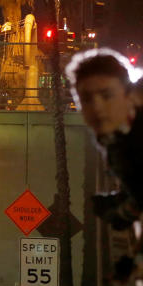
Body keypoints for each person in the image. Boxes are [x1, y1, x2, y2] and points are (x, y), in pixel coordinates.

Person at [66, 48, 143, 231]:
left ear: (129, 95)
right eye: (86, 99)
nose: (97, 108)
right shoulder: (116, 135)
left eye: (107, 96)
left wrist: (123, 210)